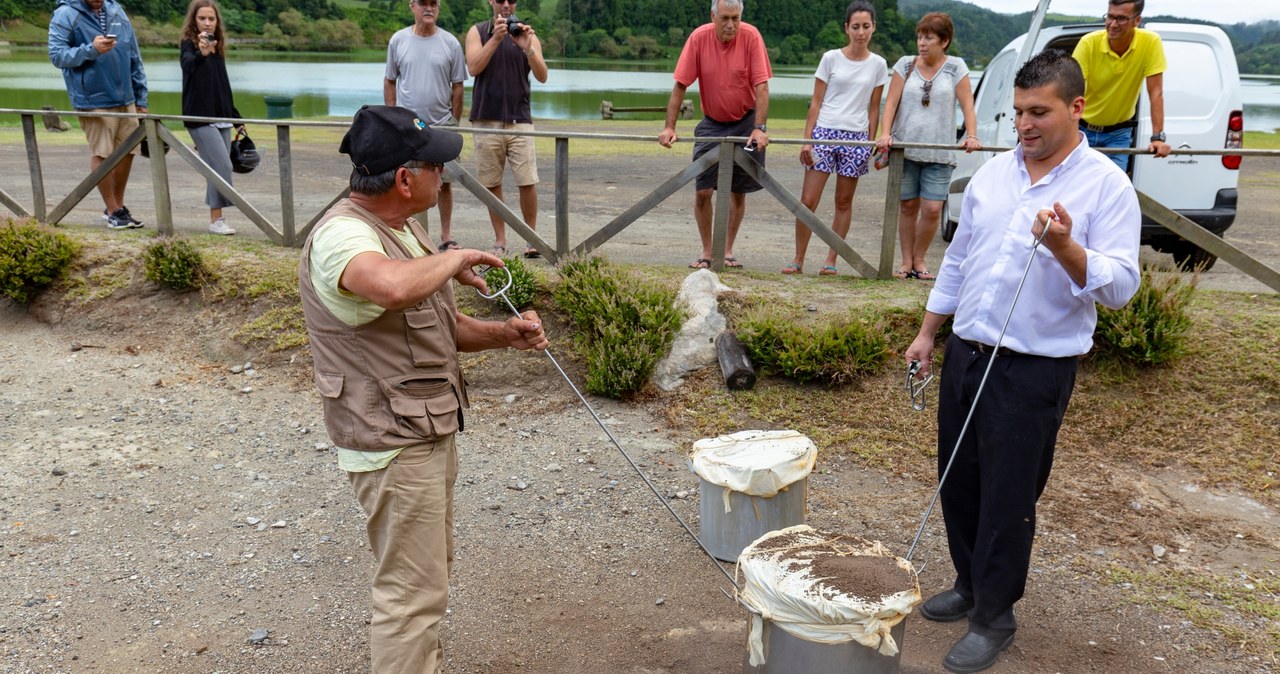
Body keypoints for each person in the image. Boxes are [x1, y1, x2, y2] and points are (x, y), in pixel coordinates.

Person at [903, 50, 1140, 673]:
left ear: (1077, 108)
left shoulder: (1106, 186)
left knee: (1010, 496)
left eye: (1040, 112)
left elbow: (1119, 289)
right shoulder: (992, 176)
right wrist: (929, 333)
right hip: (966, 354)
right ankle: (968, 585)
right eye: (1018, 113)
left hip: (1033, 371)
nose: (1025, 125)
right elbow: (957, 262)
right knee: (959, 478)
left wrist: (1065, 246)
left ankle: (994, 617)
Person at [299, 104, 548, 673]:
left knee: (427, 580)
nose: (447, 174)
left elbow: (440, 325)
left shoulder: (400, 228)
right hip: (392, 439)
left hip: (423, 428)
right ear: (406, 179)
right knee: (411, 598)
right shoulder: (342, 235)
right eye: (438, 164)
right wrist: (455, 255)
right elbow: (388, 289)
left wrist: (503, 334)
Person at [659, 0, 772, 270]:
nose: (731, 24)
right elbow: (680, 85)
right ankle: (707, 251)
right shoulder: (698, 38)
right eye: (725, 18)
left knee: (738, 191)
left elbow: (762, 86)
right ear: (713, 16)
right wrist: (669, 126)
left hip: (746, 121)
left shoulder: (752, 36)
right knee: (702, 190)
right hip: (712, 123)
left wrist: (760, 127)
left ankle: (727, 250)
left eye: (735, 18)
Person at [783, 0, 886, 276]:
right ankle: (798, 258)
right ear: (846, 28)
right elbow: (815, 102)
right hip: (825, 132)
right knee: (808, 199)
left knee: (843, 201)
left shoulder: (878, 64)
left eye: (866, 26)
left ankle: (831, 259)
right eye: (855, 27)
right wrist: (808, 139)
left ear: (873, 28)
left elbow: (874, 108)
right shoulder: (831, 58)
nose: (861, 32)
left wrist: (869, 142)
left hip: (856, 137)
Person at [875, 12, 979, 281]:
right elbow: (891, 104)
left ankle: (920, 259)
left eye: (929, 37)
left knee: (932, 209)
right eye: (920, 36)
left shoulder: (956, 67)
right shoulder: (905, 64)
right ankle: (906, 261)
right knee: (907, 206)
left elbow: (968, 105)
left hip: (940, 152)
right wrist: (885, 133)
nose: (922, 42)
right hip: (905, 149)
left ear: (944, 41)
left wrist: (972, 135)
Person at [48, 0, 149, 231]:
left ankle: (118, 208)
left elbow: (134, 55)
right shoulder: (65, 13)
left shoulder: (117, 11)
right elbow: (56, 56)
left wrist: (141, 96)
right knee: (102, 153)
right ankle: (113, 210)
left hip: (126, 97)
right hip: (92, 99)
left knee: (128, 152)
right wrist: (91, 50)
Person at [464, 0, 548, 258]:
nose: (505, 5)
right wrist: (496, 39)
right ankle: (500, 239)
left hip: (519, 119)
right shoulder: (477, 32)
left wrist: (528, 49)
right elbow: (473, 67)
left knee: (527, 181)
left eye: (511, 0)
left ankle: (530, 237)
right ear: (491, 1)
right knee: (491, 183)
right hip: (485, 119)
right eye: (500, 0)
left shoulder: (526, 33)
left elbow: (543, 75)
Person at [385, 0, 467, 250]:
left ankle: (446, 236)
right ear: (412, 6)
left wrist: (453, 121)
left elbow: (458, 86)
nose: (428, 8)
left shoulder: (450, 42)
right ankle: (409, 235)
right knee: (406, 181)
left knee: (445, 183)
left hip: (442, 124)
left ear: (439, 7)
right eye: (423, 3)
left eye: (433, 3)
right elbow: (390, 81)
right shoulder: (398, 40)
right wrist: (392, 118)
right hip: (408, 127)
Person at [1072, 0, 1171, 173]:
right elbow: (1072, 91)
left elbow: (1156, 92)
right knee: (1075, 186)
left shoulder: (1150, 42)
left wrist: (1158, 137)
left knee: (1114, 189)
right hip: (1082, 128)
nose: (1113, 24)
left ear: (1137, 20)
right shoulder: (1088, 43)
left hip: (1119, 134)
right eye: (1110, 16)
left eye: (1121, 19)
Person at [180, 0, 243, 236]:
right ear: (194, 21)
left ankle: (216, 219)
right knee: (222, 166)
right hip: (199, 117)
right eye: (202, 18)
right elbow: (187, 66)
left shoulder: (220, 47)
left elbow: (221, 86)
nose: (207, 22)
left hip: (222, 116)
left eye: (211, 18)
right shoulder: (188, 44)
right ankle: (219, 217)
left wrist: (236, 117)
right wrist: (201, 54)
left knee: (215, 167)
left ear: (217, 22)